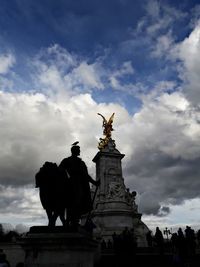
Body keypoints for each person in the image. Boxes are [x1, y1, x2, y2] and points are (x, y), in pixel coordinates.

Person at [59, 143, 99, 230]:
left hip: (79, 186)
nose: (79, 151)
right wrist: (66, 177)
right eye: (78, 150)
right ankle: (69, 220)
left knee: (78, 203)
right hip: (70, 184)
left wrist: (95, 183)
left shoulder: (81, 163)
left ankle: (75, 221)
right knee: (69, 203)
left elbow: (86, 175)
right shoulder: (67, 161)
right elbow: (60, 170)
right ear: (74, 151)